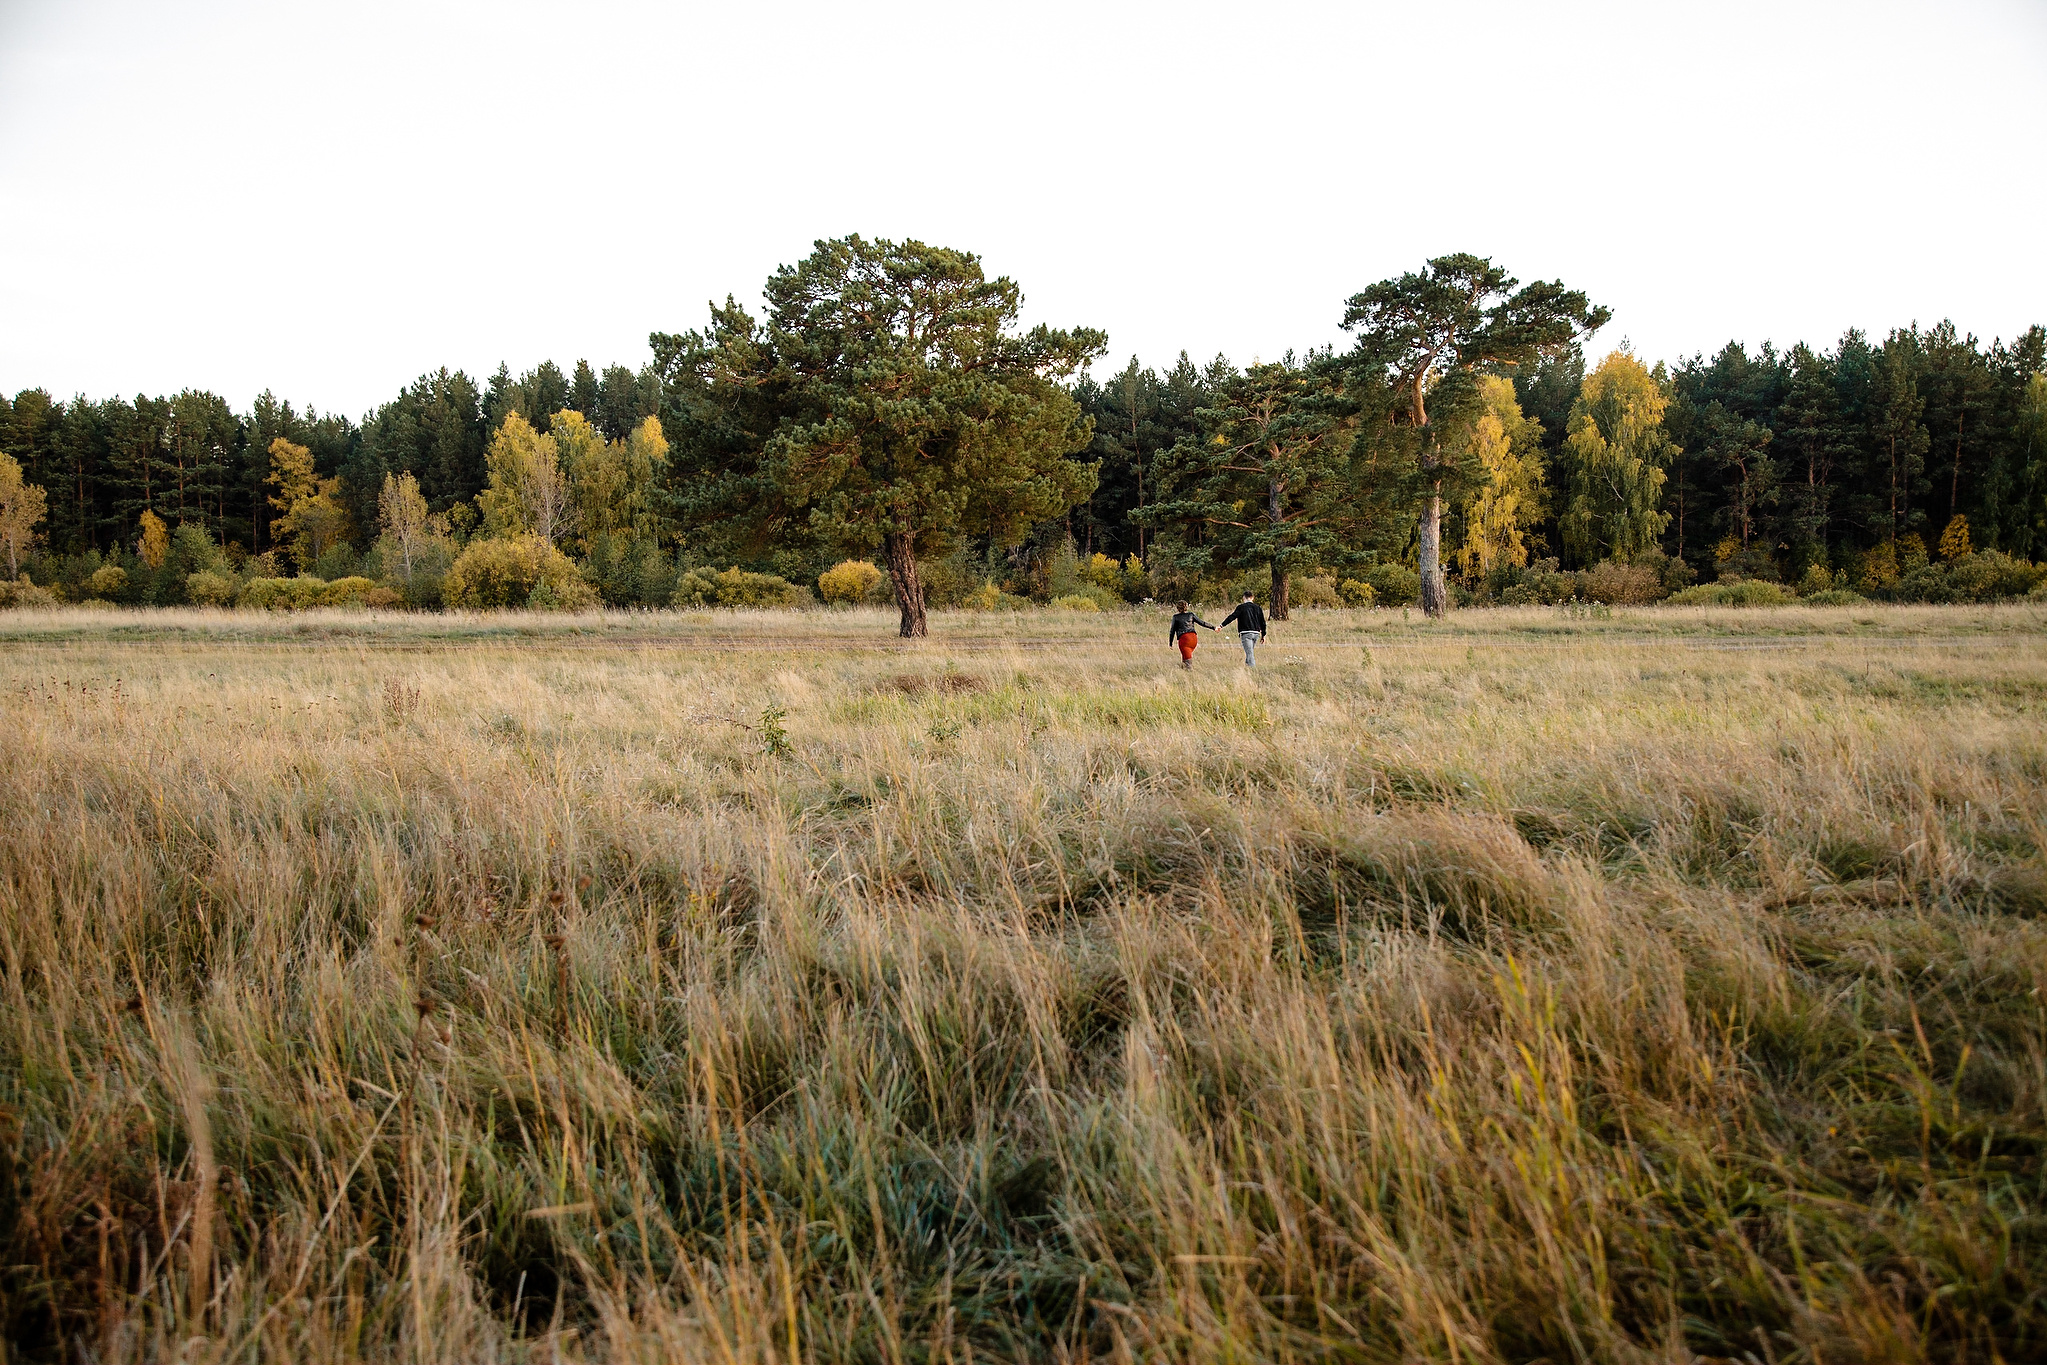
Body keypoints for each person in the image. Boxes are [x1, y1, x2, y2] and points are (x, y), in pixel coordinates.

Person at [1219, 591, 1267, 666]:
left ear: (1244, 598)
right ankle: (1247, 669)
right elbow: (1263, 622)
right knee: (1250, 652)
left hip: (1246, 633)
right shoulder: (1258, 608)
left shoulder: (1241, 607)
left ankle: (1252, 670)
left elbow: (1232, 617)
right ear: (1252, 598)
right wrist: (1263, 635)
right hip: (1256, 633)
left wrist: (1222, 625)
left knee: (1250, 654)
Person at [1167, 600, 1215, 670]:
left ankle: (1190, 676)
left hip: (1184, 639)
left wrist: (1170, 643)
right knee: (1185, 658)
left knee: (1188, 663)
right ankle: (1183, 671)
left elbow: (1172, 631)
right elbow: (1202, 623)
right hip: (1193, 638)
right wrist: (1213, 627)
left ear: (1177, 608)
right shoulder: (1191, 615)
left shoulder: (1176, 617)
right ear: (1186, 607)